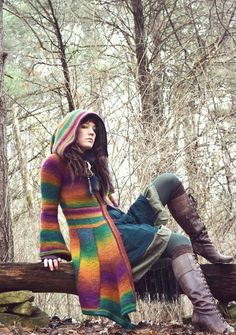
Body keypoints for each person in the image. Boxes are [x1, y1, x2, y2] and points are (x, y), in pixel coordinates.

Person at [39, 109, 234, 333]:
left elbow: (104, 201)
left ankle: (202, 243)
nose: (92, 132)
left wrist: (111, 201)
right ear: (69, 130)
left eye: (94, 128)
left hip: (118, 223)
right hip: (99, 238)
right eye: (85, 127)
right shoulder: (53, 164)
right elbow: (48, 210)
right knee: (177, 241)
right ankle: (206, 313)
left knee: (168, 181)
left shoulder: (93, 163)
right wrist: (50, 251)